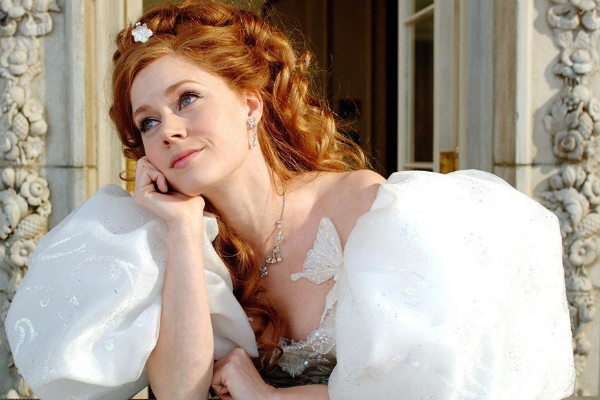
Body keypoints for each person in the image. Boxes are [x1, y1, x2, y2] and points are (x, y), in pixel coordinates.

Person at [4, 1, 575, 399]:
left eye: (188, 99)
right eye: (148, 121)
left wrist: (271, 397)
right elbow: (179, 394)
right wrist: (180, 229)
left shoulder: (361, 208)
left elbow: (434, 385)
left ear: (250, 104)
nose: (169, 129)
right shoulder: (169, 242)